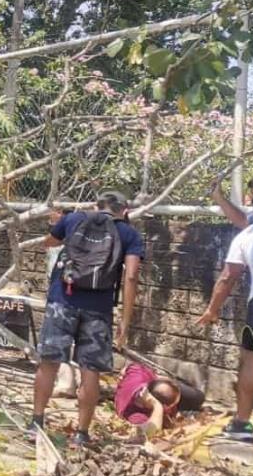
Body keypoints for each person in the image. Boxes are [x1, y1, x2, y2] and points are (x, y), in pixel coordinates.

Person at [31, 191, 144, 447]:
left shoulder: (74, 219)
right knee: (90, 371)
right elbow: (131, 277)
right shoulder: (129, 234)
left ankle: (36, 422)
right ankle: (81, 433)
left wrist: (55, 224)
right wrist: (125, 320)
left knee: (48, 363)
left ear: (96, 206)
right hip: (99, 309)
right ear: (124, 211)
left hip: (62, 300)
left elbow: (49, 242)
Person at [197, 189, 253, 439]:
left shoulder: (249, 234)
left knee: (252, 360)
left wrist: (212, 310)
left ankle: (242, 424)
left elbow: (227, 277)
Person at [114, 361, 181, 438]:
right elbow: (150, 433)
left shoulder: (139, 376)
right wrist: (157, 406)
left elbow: (133, 366)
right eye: (172, 406)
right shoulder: (137, 416)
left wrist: (123, 373)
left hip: (157, 382)